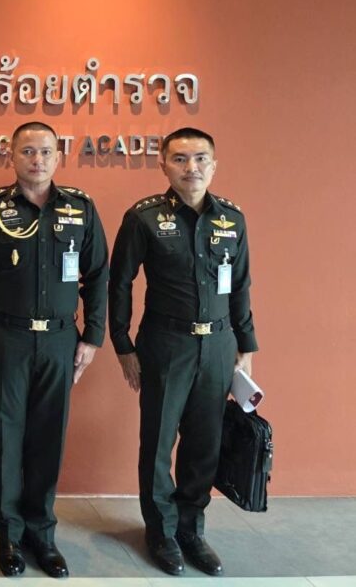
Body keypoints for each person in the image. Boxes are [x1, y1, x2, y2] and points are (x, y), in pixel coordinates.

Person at [0, 121, 108, 579]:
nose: (37, 160)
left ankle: (42, 534)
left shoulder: (80, 208)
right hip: (7, 338)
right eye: (27, 151)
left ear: (58, 157)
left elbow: (98, 274)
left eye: (45, 151)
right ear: (11, 156)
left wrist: (93, 336)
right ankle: (8, 534)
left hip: (61, 339)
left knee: (48, 437)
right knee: (6, 437)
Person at [109, 127, 257, 577]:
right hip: (165, 344)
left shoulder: (232, 218)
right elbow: (119, 284)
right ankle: (161, 532)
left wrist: (246, 346)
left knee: (204, 443)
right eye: (180, 159)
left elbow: (241, 286)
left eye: (200, 159)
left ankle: (191, 530)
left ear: (213, 165)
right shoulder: (144, 218)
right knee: (158, 441)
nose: (191, 167)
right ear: (163, 165)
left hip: (219, 345)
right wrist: (123, 344)